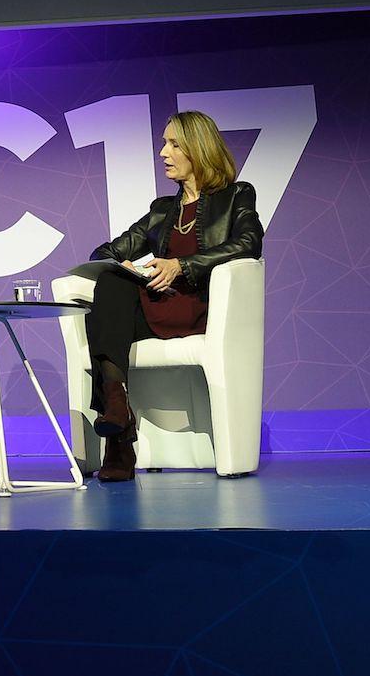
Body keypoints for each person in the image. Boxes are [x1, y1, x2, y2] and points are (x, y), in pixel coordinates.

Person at [83, 110, 263, 483]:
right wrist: (127, 268)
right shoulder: (162, 210)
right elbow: (103, 253)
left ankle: (119, 442)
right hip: (156, 311)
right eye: (164, 143)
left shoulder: (236, 195)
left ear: (198, 149)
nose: (163, 152)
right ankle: (117, 413)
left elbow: (249, 242)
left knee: (106, 312)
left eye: (173, 144)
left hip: (201, 309)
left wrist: (182, 266)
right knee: (111, 286)